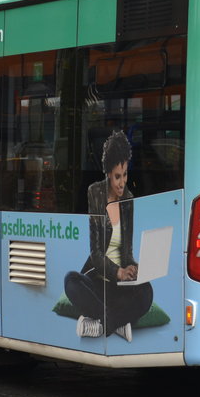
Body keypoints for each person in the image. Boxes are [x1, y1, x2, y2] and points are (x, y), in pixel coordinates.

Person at [63, 130, 153, 341]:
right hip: (98, 280)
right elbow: (95, 253)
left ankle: (102, 323)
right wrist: (118, 272)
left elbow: (127, 251)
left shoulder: (128, 200)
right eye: (117, 176)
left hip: (120, 287)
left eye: (125, 175)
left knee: (147, 292)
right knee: (70, 280)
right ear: (107, 174)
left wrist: (132, 268)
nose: (122, 182)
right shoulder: (95, 193)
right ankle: (119, 322)